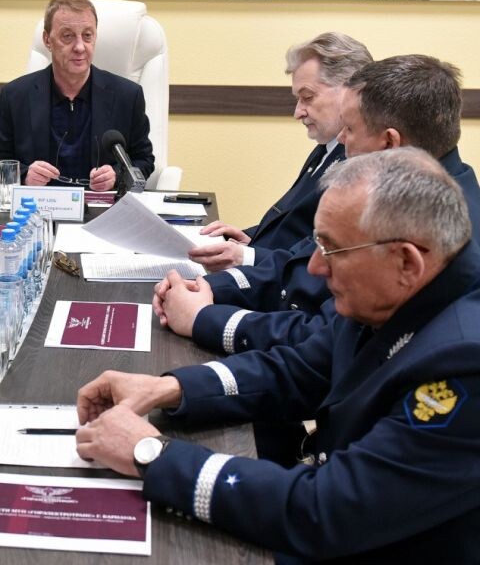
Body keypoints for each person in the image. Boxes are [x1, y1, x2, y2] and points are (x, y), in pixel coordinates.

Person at [77, 148, 480, 562]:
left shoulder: (464, 364)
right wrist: (169, 388)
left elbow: (326, 511)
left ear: (406, 262)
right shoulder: (396, 292)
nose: (316, 268)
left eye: (333, 250)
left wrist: (153, 455)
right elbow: (299, 370)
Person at [155, 55, 480, 357]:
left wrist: (205, 318)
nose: (342, 140)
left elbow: (325, 340)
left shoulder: (441, 226)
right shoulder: (396, 189)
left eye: (349, 129)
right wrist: (206, 287)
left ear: (390, 143)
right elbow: (295, 264)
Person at [188, 33, 371, 271]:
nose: (298, 112)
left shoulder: (358, 158)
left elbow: (320, 254)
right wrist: (251, 238)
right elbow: (294, 222)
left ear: (351, 91)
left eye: (307, 97)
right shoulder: (327, 148)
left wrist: (249, 256)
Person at [0, 0, 154, 191]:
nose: (79, 47)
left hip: (101, 206)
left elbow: (144, 160)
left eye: (87, 35)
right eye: (67, 36)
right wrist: (24, 175)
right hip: (39, 205)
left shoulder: (127, 96)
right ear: (47, 40)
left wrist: (116, 176)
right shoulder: (15, 96)